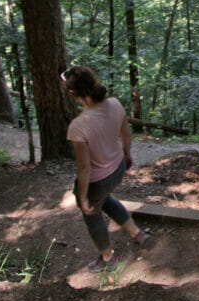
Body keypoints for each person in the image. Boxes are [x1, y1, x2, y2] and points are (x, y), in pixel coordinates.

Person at [62, 65, 149, 272]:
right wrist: (127, 155)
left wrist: (82, 198)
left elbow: (84, 169)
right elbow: (126, 135)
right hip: (118, 169)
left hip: (97, 181)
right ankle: (137, 233)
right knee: (105, 199)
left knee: (92, 214)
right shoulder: (115, 104)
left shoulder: (78, 126)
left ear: (72, 93)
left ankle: (108, 259)